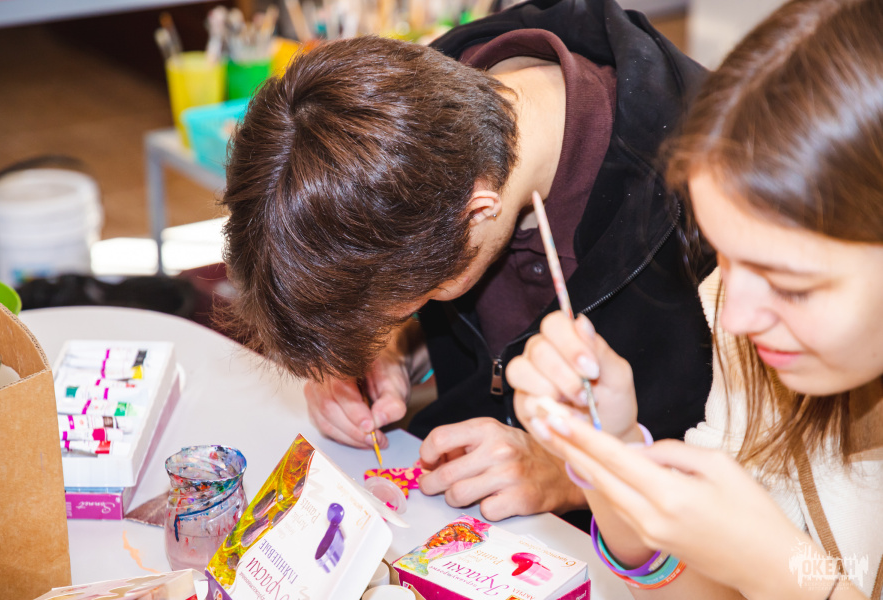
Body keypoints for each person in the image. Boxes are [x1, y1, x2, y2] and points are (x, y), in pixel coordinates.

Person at [221, 0, 715, 524]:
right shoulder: (409, 127)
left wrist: (565, 474)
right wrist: (393, 348)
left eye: (409, 301)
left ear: (479, 211)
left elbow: (744, 463)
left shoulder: (710, 198)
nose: (406, 311)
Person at [506, 0, 883, 596]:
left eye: (791, 285)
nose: (733, 316)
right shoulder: (752, 336)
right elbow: (701, 589)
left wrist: (776, 569)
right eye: (724, 258)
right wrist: (612, 453)